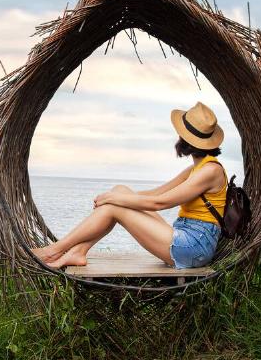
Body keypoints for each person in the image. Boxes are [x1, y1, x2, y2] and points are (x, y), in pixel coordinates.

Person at [31, 101, 228, 270]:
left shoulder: (211, 171)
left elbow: (159, 203)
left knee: (114, 206)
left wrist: (114, 201)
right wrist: (116, 196)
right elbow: (156, 193)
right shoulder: (196, 169)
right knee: (119, 191)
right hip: (185, 238)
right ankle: (78, 251)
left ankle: (53, 251)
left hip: (194, 247)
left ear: (184, 138)